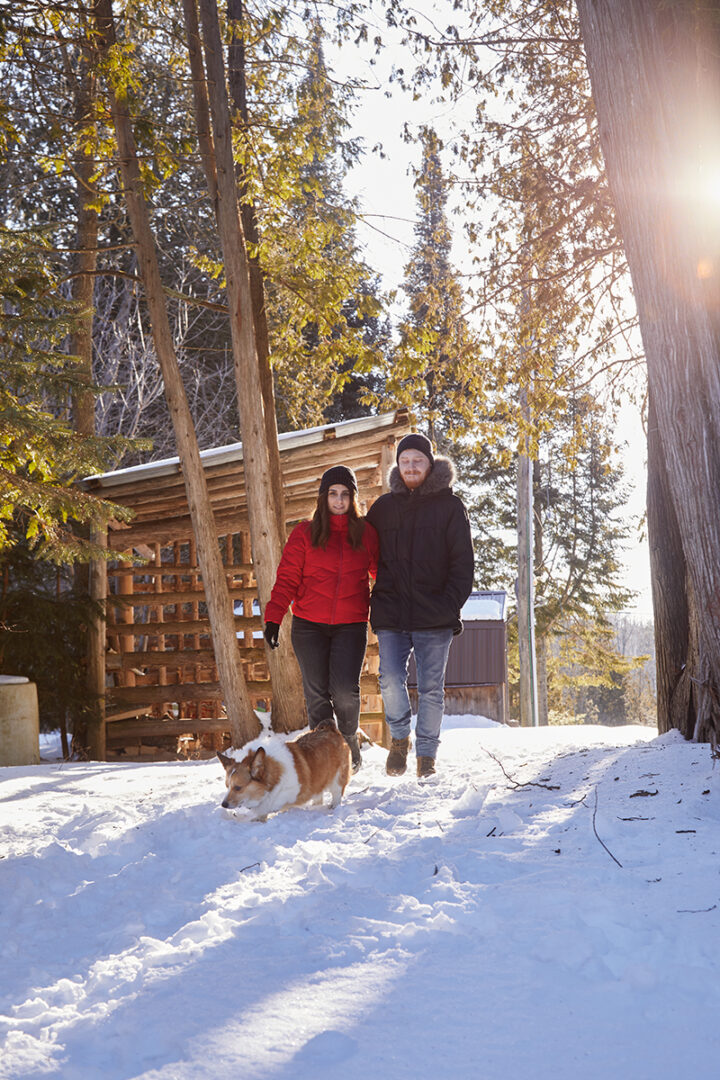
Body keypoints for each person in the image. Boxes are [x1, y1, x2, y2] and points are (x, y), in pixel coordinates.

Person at [366, 433, 474, 778]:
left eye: (418, 461)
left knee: (430, 689)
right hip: (391, 611)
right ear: (398, 466)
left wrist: (448, 604)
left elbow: (463, 564)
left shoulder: (450, 507)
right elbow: (359, 549)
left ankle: (426, 755)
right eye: (405, 461)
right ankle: (400, 739)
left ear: (430, 464)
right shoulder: (383, 508)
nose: (411, 467)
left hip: (435, 616)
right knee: (389, 678)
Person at [263, 465, 379, 772]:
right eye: (333, 494)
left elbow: (382, 576)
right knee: (316, 693)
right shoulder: (304, 533)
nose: (339, 500)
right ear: (323, 497)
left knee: (344, 690)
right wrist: (273, 618)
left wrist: (384, 611)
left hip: (350, 624)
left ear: (352, 498)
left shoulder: (366, 534)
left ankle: (350, 737)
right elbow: (287, 578)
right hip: (309, 625)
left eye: (345, 494)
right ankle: (325, 755)